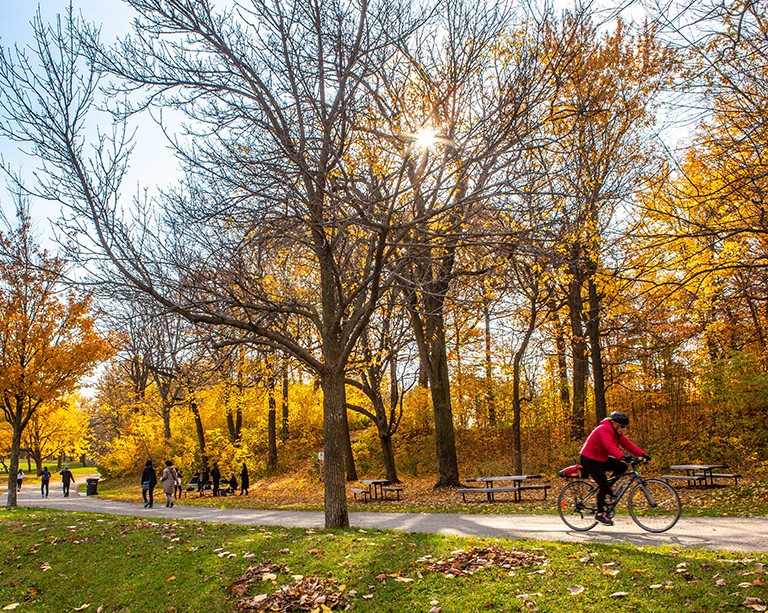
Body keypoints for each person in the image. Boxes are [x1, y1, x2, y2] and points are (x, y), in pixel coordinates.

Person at [580, 411, 650, 526]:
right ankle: (600, 513)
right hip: (589, 459)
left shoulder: (617, 433)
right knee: (603, 485)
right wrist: (622, 456)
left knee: (622, 466)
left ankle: (609, 487)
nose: (623, 429)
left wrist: (642, 454)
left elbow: (628, 444)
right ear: (614, 423)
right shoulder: (604, 429)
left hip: (600, 458)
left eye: (625, 427)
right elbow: (609, 445)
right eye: (622, 426)